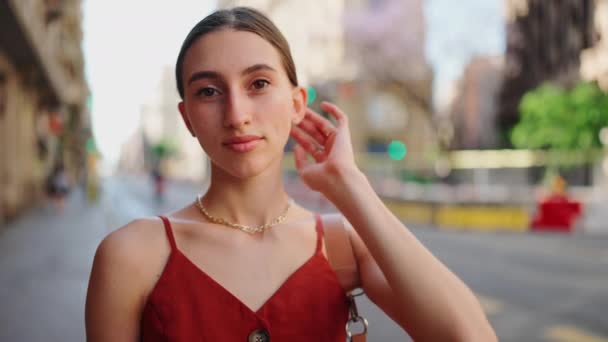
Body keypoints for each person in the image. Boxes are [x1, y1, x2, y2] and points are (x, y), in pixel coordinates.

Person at [85, 7, 496, 341]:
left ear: (298, 103)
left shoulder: (341, 245)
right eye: (209, 91)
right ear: (186, 117)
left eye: (259, 83)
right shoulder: (132, 254)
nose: (237, 115)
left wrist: (351, 186)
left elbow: (469, 336)